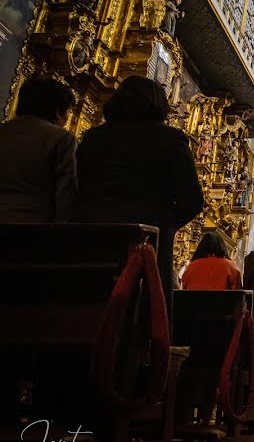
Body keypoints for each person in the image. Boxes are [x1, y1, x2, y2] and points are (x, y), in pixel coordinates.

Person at [77, 76, 203, 311]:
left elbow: (79, 184)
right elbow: (193, 199)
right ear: (158, 104)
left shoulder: (94, 138)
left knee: (93, 302)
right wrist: (165, 222)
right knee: (146, 308)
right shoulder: (170, 139)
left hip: (95, 231)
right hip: (148, 239)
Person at [0, 77, 77, 223]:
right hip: (32, 227)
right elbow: (66, 194)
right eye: (67, 112)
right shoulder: (62, 139)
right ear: (57, 111)